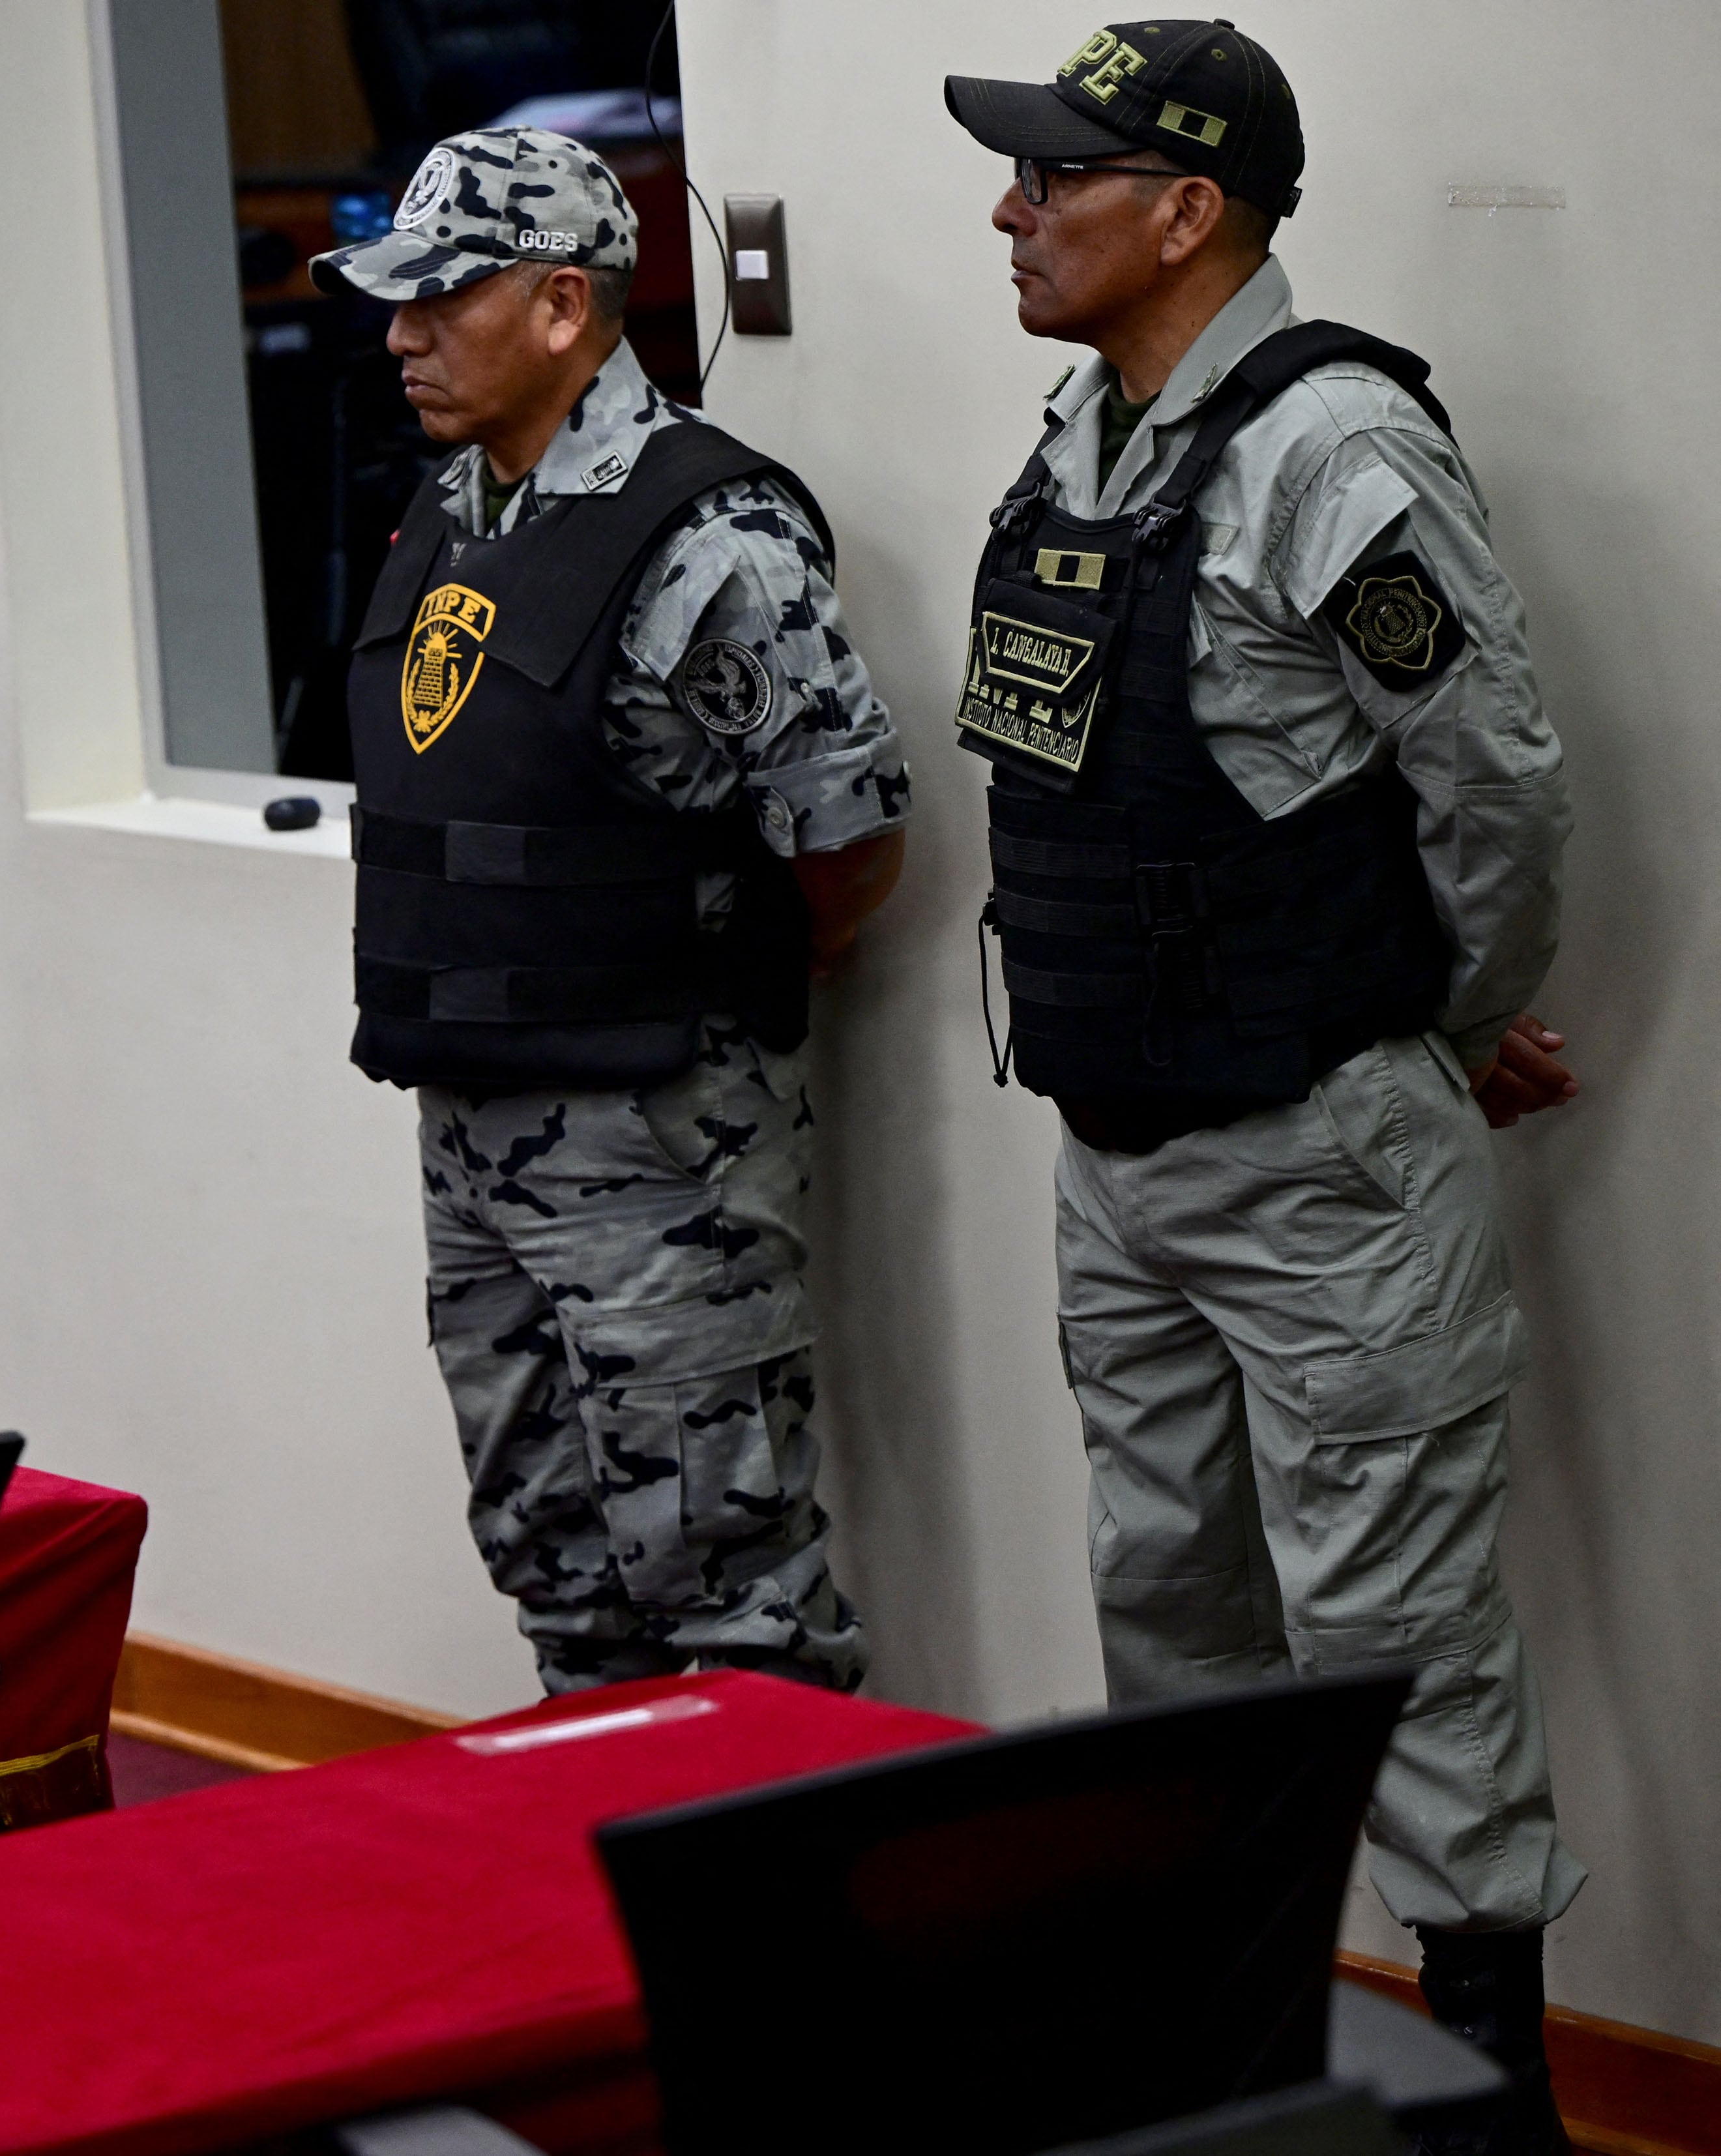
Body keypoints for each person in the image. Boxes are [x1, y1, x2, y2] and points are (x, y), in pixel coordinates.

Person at [945, 23, 1579, 2151]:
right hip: (1116, 1156)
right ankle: (1229, 2088)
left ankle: (1493, 2103)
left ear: (1188, 207)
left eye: (1055, 177)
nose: (1013, 211)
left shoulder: (1335, 451)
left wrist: (1443, 1018)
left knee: (1406, 1662)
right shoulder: (1080, 436)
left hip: (1320, 1159)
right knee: (1168, 1623)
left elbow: (1496, 778)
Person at [308, 128, 908, 1696]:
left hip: (657, 1149)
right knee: (554, 1568)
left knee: (726, 1592)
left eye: (440, 299)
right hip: (472, 1128)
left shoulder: (704, 538)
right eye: (393, 301)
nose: (399, 334)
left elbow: (843, 836)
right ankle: (608, 1928)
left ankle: (769, 1941)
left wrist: (714, 962)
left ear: (564, 309)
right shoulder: (451, 507)